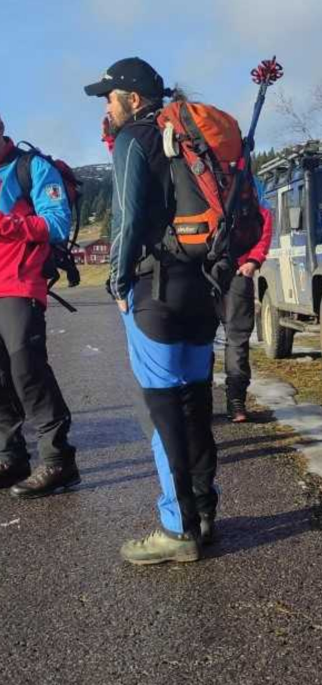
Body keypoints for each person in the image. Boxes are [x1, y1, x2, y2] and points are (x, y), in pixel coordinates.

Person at [85, 57, 219, 565]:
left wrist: (118, 280)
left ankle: (177, 529)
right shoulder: (193, 137)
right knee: (196, 404)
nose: (106, 105)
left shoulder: (134, 139)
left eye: (109, 97)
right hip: (202, 288)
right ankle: (204, 513)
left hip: (154, 290)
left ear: (133, 99)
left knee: (163, 411)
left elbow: (125, 215)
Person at [0, 115, 80, 497]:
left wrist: (6, 225)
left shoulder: (31, 168)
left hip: (20, 281)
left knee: (26, 368)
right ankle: (10, 456)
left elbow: (58, 223)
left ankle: (58, 459)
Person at [217, 177, 273, 423]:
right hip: (207, 272)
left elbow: (265, 226)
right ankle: (199, 401)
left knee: (237, 338)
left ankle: (236, 400)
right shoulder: (203, 180)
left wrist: (253, 261)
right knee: (200, 339)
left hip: (239, 272)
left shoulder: (252, 187)